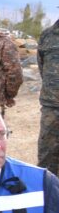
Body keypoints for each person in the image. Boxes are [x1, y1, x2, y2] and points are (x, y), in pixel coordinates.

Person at [38, 15, 59, 175]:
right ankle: (47, 192)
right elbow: (42, 65)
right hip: (51, 106)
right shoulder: (47, 35)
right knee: (48, 153)